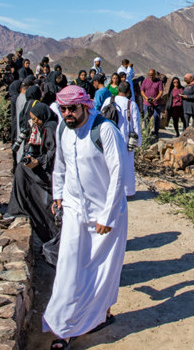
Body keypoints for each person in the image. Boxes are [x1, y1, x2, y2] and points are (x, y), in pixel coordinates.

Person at [43, 85, 127, 348]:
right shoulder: (63, 130)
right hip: (75, 210)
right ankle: (64, 328)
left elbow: (118, 175)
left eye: (72, 109)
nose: (68, 114)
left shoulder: (105, 130)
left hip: (105, 215)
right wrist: (58, 194)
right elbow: (61, 164)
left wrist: (108, 215)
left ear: (85, 106)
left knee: (103, 271)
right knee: (69, 269)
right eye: (64, 109)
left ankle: (98, 316)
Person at [6, 99, 61, 264]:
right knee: (23, 169)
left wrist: (38, 162)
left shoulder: (49, 129)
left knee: (22, 171)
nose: (34, 122)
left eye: (36, 119)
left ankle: (18, 207)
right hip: (47, 168)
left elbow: (53, 153)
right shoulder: (45, 127)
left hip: (51, 173)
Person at [101, 81, 141, 197]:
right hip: (125, 139)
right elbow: (136, 124)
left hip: (108, 137)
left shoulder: (108, 101)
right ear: (129, 92)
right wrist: (137, 142)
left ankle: (109, 191)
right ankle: (126, 192)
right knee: (127, 166)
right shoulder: (131, 104)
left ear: (118, 89)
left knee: (109, 164)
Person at [141, 69, 164, 137]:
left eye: (152, 75)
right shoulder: (145, 81)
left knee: (156, 117)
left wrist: (156, 98)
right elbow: (142, 91)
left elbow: (161, 92)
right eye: (150, 75)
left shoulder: (159, 82)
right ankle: (147, 132)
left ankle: (156, 132)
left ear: (155, 74)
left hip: (156, 103)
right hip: (146, 103)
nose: (151, 76)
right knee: (146, 117)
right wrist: (146, 98)